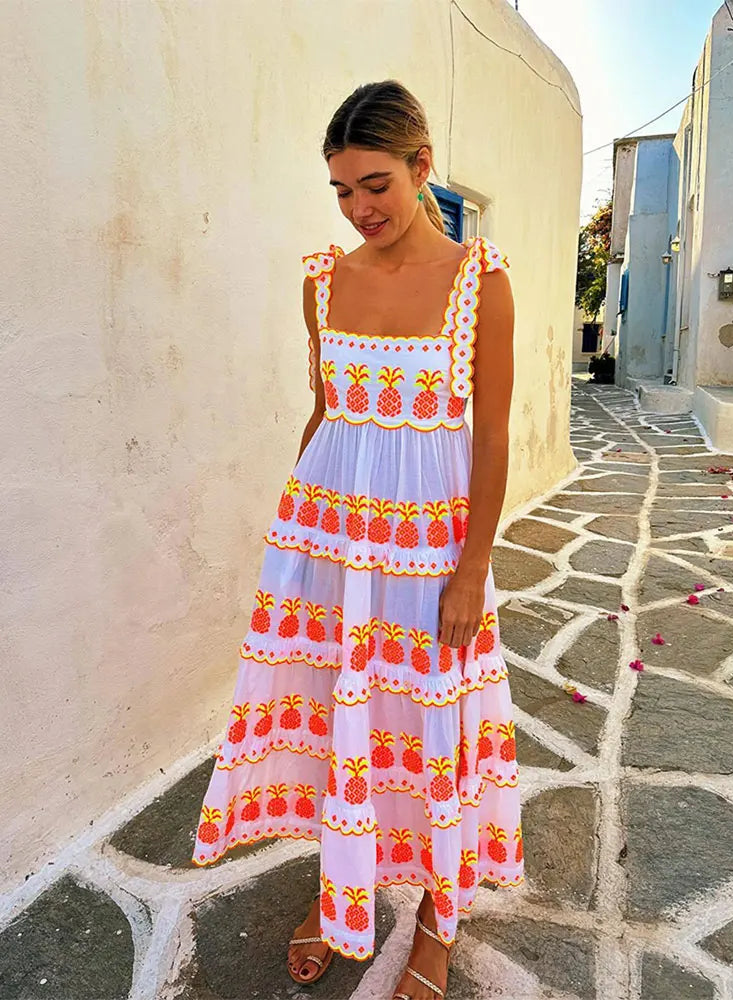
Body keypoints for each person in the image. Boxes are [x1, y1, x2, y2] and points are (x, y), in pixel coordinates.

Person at [192, 79, 523, 1000]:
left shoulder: (480, 282)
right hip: (328, 538)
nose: (358, 208)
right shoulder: (321, 280)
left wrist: (473, 569)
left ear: (422, 168)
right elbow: (326, 413)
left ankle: (438, 919)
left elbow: (492, 438)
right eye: (341, 190)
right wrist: (294, 539)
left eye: (375, 184)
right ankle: (342, 885)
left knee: (433, 722)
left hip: (430, 552)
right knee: (342, 719)